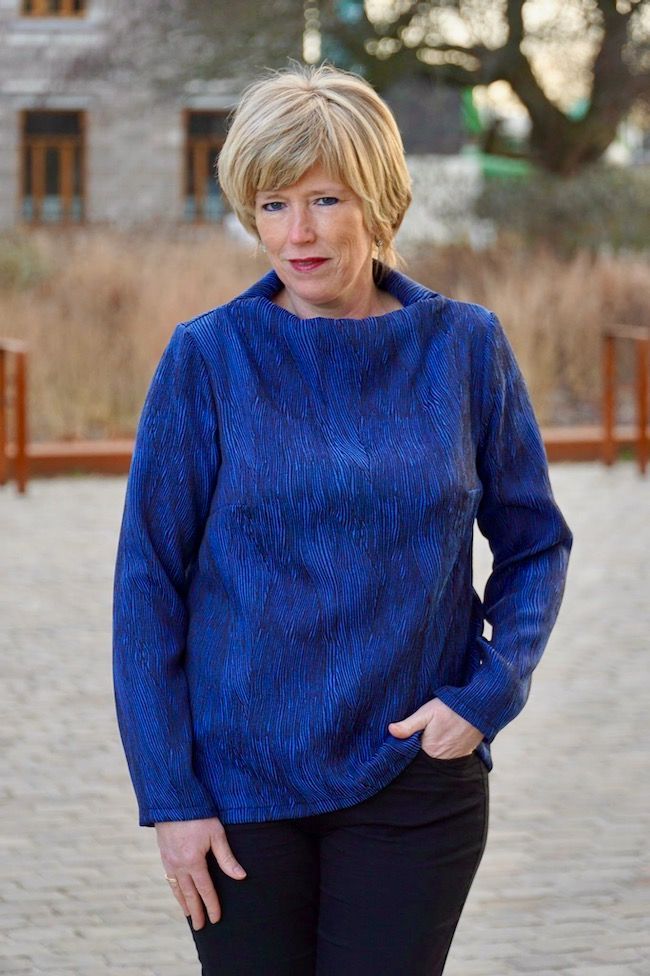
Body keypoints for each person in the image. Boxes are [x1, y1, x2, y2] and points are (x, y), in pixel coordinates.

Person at [112, 61, 573, 976]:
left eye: (325, 198)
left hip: (415, 781)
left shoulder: (464, 346)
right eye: (273, 203)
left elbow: (535, 545)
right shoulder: (208, 359)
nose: (299, 232)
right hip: (239, 789)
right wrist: (171, 799)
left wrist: (483, 699)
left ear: (378, 198)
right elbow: (147, 588)